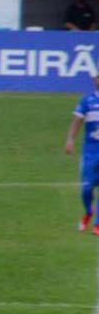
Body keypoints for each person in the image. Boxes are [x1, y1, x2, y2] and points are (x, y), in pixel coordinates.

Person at [65, 74, 99, 234]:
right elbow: (76, 121)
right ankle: (88, 212)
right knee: (87, 189)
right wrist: (70, 140)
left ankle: (98, 225)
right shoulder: (87, 101)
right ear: (95, 80)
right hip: (90, 152)